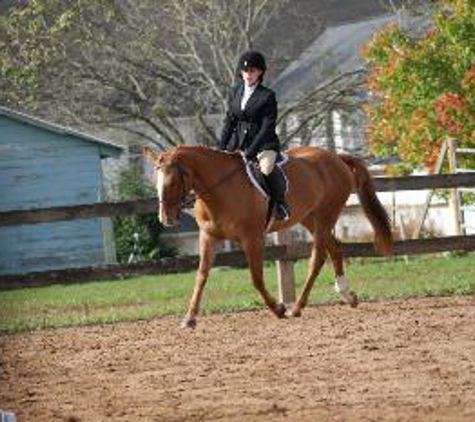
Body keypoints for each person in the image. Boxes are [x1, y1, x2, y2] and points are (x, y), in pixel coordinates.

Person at [218, 50, 290, 221]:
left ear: (260, 72)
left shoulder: (267, 96)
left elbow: (267, 127)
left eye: (252, 71)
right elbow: (229, 121)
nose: (248, 74)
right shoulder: (235, 92)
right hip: (237, 144)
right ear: (240, 73)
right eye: (245, 71)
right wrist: (221, 147)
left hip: (264, 144)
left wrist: (251, 150)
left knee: (265, 168)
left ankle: (280, 203)